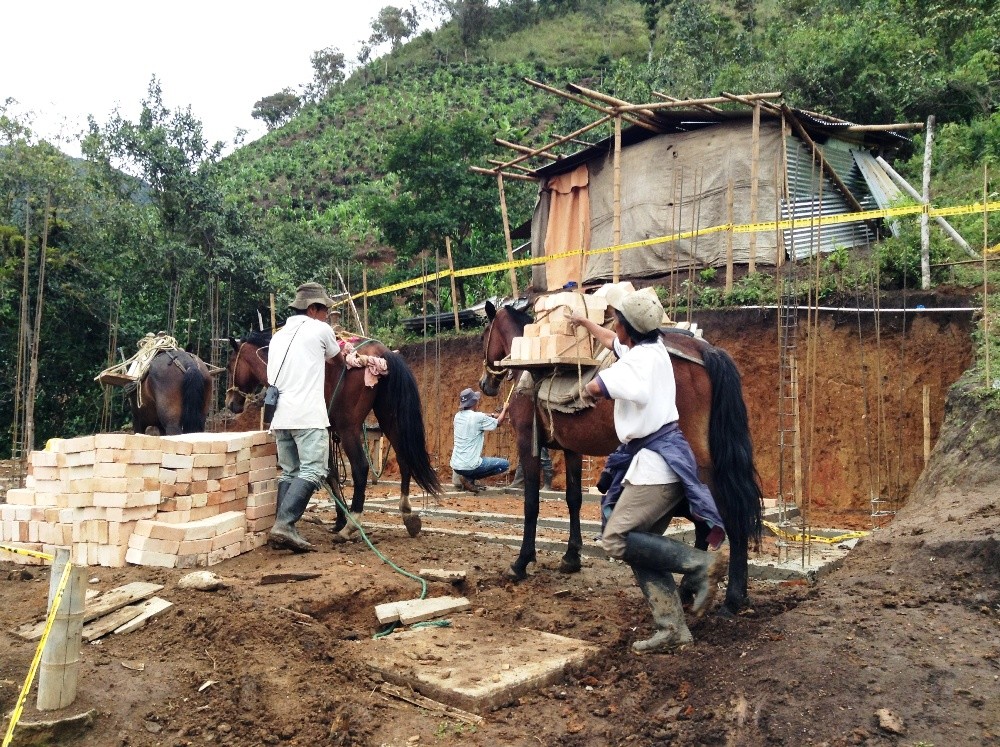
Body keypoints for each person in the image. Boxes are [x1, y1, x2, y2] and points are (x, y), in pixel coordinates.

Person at [569, 287, 726, 653]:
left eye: (616, 319)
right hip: (665, 458)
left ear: (628, 326)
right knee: (640, 546)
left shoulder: (636, 366)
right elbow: (611, 341)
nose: (612, 324)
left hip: (655, 466)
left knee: (616, 538)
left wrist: (585, 391)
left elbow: (597, 386)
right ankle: (672, 628)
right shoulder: (650, 349)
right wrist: (585, 323)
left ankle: (700, 564)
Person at [267, 282, 342, 553]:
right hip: (308, 416)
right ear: (313, 309)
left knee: (289, 471)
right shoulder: (320, 329)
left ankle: (282, 528)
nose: (326, 317)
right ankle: (285, 525)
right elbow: (338, 361)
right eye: (324, 311)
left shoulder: (277, 337)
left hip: (280, 418)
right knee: (313, 470)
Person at [450, 388, 510, 493]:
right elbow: (498, 422)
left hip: (456, 465)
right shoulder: (478, 417)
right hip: (470, 465)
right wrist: (505, 409)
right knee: (504, 464)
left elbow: (480, 416)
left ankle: (467, 479)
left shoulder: (457, 416)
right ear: (474, 402)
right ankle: (469, 479)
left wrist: (492, 415)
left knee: (472, 464)